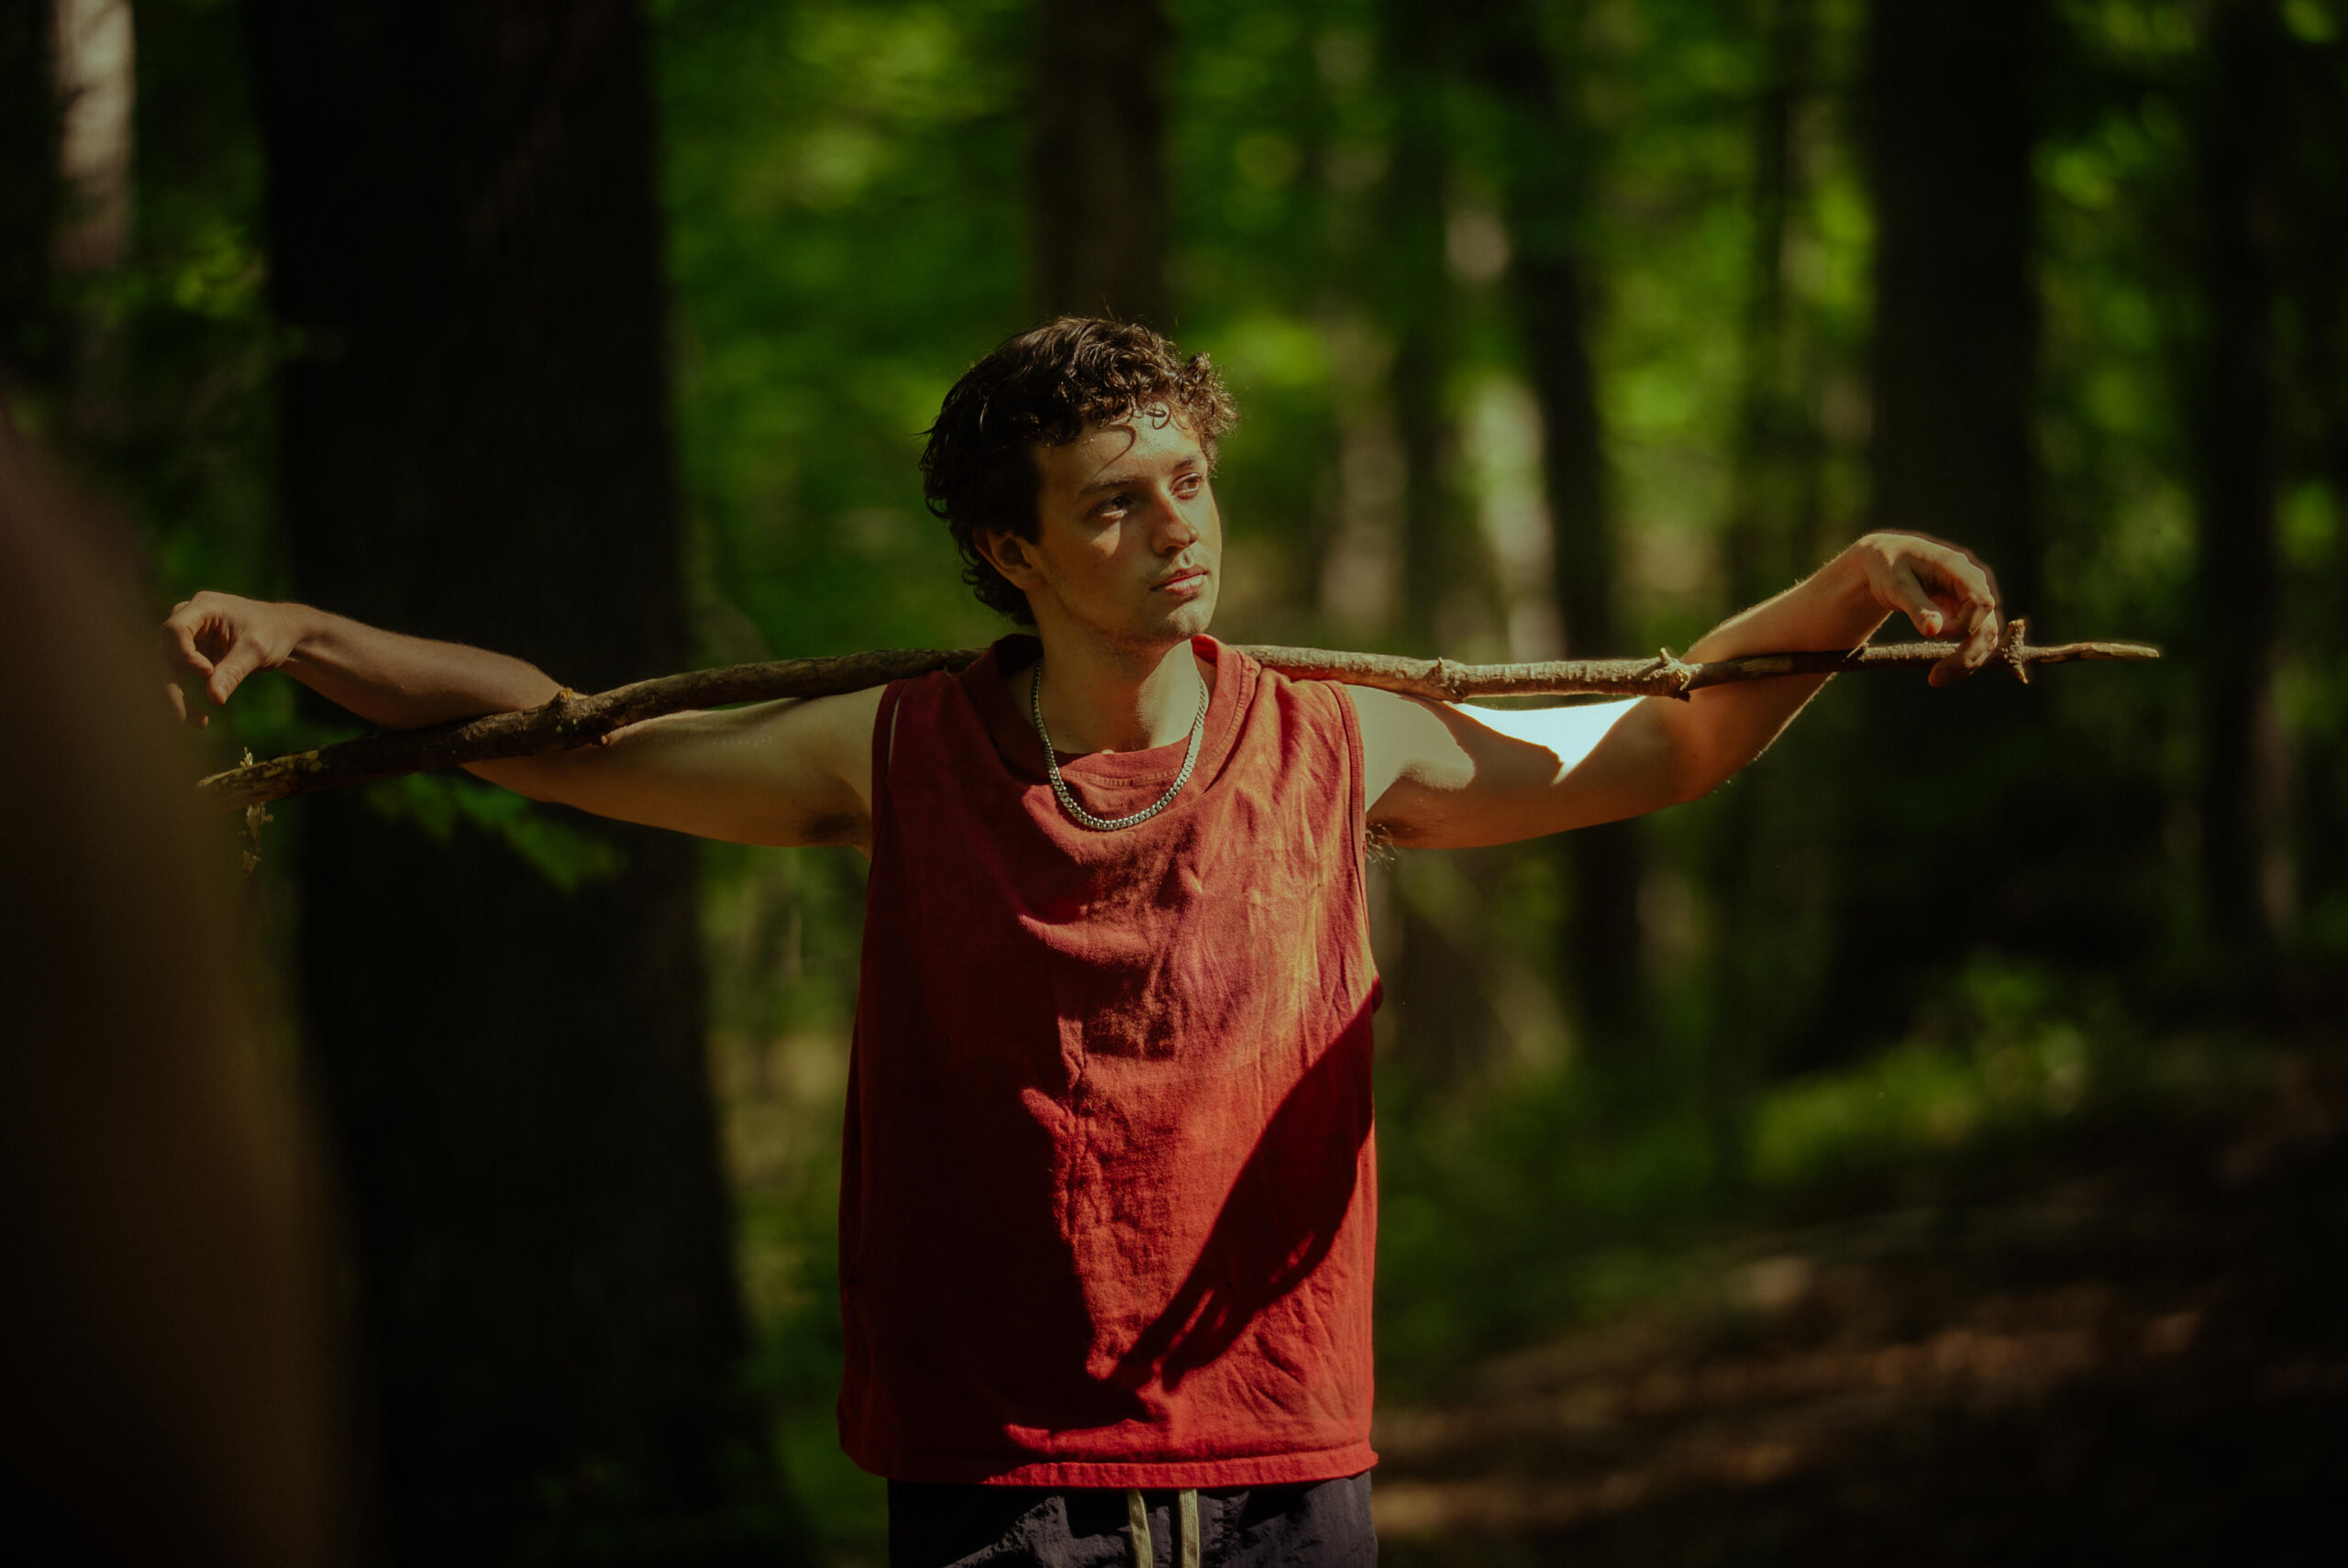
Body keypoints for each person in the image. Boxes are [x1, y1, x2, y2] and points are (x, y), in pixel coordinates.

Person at [162, 317, 2005, 1567]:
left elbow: (1665, 744)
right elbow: (561, 734)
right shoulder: (895, 754)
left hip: (1285, 1458)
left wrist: (1849, 586)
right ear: (1013, 550)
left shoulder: (1337, 740)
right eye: (1112, 503)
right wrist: (304, 633)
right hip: (998, 1478)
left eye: (1185, 480)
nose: (1171, 529)